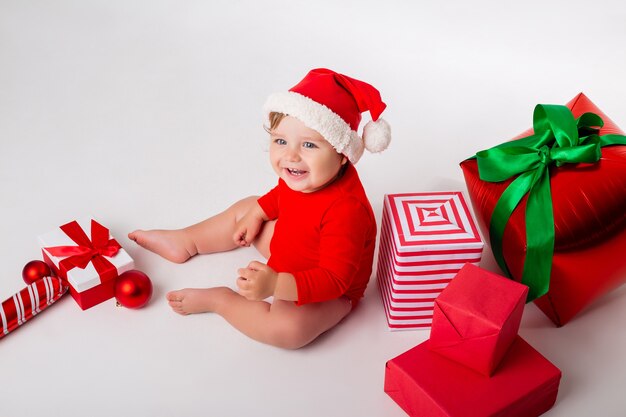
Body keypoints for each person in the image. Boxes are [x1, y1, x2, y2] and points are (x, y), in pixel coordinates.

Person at [129, 68, 391, 349]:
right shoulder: (304, 175)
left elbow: (335, 280)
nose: (290, 155)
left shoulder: (347, 210)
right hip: (291, 247)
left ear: (342, 155)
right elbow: (280, 196)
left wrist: (276, 285)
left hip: (325, 287)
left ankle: (221, 300)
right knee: (248, 207)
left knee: (289, 330)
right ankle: (187, 240)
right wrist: (258, 213)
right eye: (281, 141)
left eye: (308, 145)